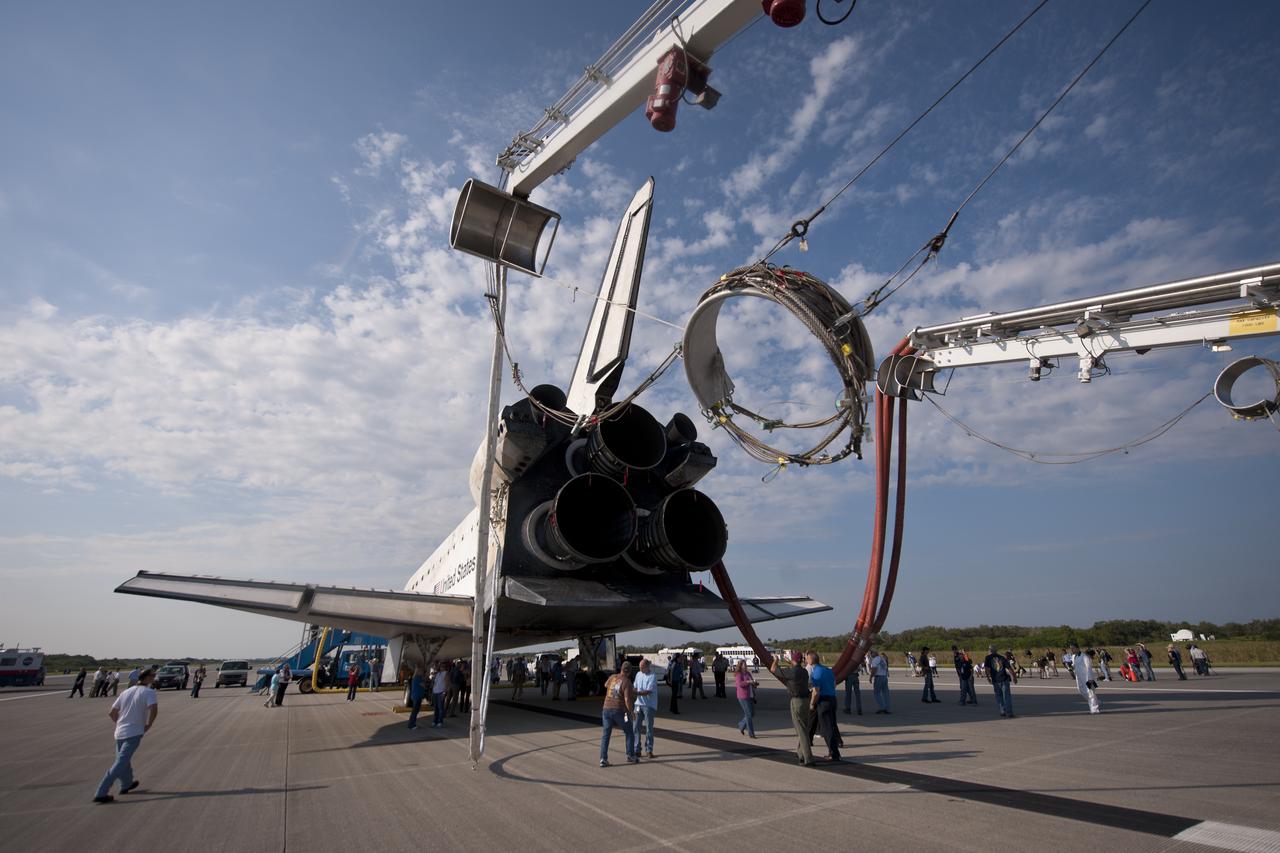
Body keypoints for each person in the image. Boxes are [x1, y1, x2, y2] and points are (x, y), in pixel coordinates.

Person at [93, 668, 158, 803]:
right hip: (134, 732)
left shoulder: (126, 692)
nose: (154, 677)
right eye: (153, 675)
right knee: (121, 762)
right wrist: (148, 725)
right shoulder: (149, 692)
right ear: (146, 678)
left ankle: (127, 783)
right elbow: (153, 709)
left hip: (120, 731)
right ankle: (101, 791)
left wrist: (120, 723)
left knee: (123, 759)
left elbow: (112, 713)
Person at [771, 654, 815, 767]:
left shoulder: (792, 672)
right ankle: (800, 754)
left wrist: (776, 660)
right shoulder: (805, 672)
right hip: (806, 700)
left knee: (801, 731)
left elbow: (773, 669)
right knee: (805, 728)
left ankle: (808, 758)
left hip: (797, 701)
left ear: (793, 660)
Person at [599, 662, 637, 767]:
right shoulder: (627, 682)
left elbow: (605, 685)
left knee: (606, 734)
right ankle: (630, 755)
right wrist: (631, 712)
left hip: (606, 709)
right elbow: (627, 699)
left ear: (621, 669)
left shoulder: (612, 677)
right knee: (629, 731)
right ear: (629, 672)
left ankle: (603, 759)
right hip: (620, 711)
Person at [806, 652, 841, 761]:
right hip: (832, 699)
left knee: (826, 729)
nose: (806, 661)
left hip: (824, 701)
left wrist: (812, 703)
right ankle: (835, 749)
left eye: (807, 659)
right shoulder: (828, 670)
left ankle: (833, 753)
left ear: (811, 660)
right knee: (831, 725)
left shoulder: (816, 672)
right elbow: (834, 684)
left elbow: (816, 691)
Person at [632, 658, 658, 759]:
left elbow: (648, 691)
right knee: (636, 727)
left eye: (642, 667)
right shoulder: (638, 674)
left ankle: (649, 750)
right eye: (640, 667)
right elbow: (635, 686)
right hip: (638, 704)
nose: (641, 669)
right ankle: (637, 749)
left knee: (649, 728)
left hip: (648, 705)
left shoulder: (652, 676)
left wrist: (636, 692)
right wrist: (633, 690)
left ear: (647, 667)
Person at [984, 645, 1014, 718]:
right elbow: (1009, 668)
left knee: (999, 696)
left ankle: (1002, 711)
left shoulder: (988, 658)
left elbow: (987, 669)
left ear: (990, 650)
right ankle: (1009, 713)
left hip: (995, 680)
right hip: (1004, 679)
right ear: (996, 650)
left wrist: (988, 678)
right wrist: (1014, 677)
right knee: (1007, 696)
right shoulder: (1002, 657)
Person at [1071, 644, 1101, 714]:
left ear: (1077, 648)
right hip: (1079, 677)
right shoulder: (1073, 656)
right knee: (1081, 690)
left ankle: (1094, 709)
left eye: (1073, 648)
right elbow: (1074, 665)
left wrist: (1090, 678)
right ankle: (1095, 701)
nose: (1071, 650)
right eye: (1071, 648)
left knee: (1090, 692)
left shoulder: (1084, 656)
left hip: (1087, 677)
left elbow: (1088, 667)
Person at [734, 660, 759, 738]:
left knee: (752, 713)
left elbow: (751, 682)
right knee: (748, 714)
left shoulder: (748, 673)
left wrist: (754, 683)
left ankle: (741, 725)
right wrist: (749, 682)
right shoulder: (738, 674)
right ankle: (751, 734)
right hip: (743, 697)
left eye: (746, 664)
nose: (745, 666)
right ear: (740, 666)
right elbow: (740, 684)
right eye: (744, 664)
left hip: (750, 695)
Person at [868, 648, 891, 714]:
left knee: (876, 693)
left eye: (871, 653)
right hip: (884, 677)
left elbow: (874, 669)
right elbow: (886, 668)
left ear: (874, 653)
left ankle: (881, 708)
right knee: (886, 693)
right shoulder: (882, 659)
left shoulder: (875, 660)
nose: (871, 654)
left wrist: (870, 677)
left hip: (878, 677)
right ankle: (887, 708)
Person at [431, 660, 449, 727]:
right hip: (435, 692)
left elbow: (447, 683)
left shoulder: (446, 673)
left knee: (440, 707)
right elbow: (435, 683)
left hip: (441, 692)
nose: (441, 667)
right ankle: (435, 720)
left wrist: (444, 692)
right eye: (441, 666)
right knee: (436, 708)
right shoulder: (438, 674)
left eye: (442, 666)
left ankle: (440, 721)